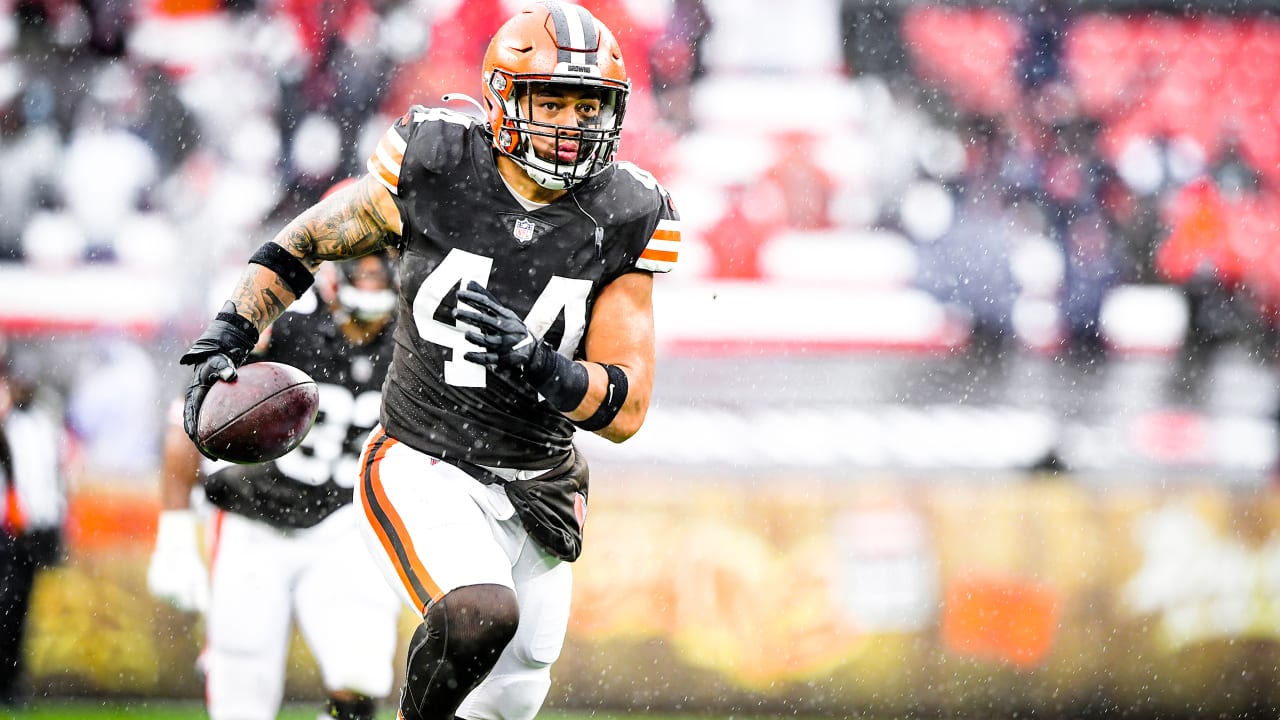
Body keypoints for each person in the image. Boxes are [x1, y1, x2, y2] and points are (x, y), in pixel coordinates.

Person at [176, 3, 681, 719]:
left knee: (511, 693)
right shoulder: (440, 162)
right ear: (505, 97)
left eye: (588, 104)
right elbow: (311, 239)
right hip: (426, 453)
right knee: (478, 613)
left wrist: (539, 364)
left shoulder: (628, 212)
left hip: (539, 479)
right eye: (553, 100)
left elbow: (625, 409)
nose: (571, 123)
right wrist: (235, 325)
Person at [147, 253, 403, 720]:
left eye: (382, 264)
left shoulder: (416, 332)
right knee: (241, 684)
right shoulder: (281, 319)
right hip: (253, 517)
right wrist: (175, 531)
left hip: (346, 520)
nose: (374, 278)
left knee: (362, 672)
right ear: (331, 271)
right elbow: (190, 416)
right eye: (362, 266)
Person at [0, 342, 68, 708]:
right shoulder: (8, 422)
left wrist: (54, 524)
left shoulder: (44, 421)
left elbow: (52, 479)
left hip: (31, 529)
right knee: (7, 606)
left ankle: (11, 683)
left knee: (18, 610)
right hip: (8, 529)